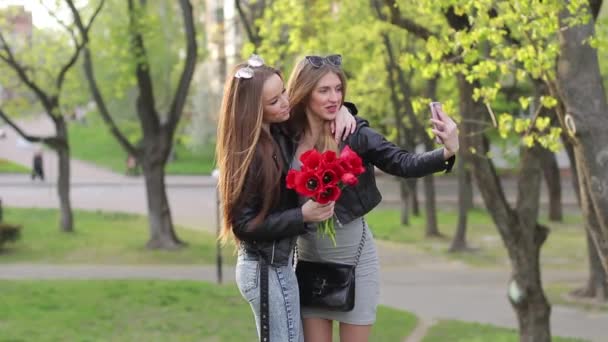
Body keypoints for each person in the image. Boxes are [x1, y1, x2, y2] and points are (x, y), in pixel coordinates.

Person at [286, 54, 459, 342]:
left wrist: (447, 152)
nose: (334, 98)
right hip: (309, 266)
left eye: (338, 89)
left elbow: (403, 163)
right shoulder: (284, 136)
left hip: (356, 263)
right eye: (324, 90)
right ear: (304, 93)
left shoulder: (354, 133)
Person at [215, 54, 357, 342]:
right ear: (254, 111)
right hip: (265, 270)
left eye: (283, 93)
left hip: (279, 266)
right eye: (275, 101)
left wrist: (345, 110)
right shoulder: (250, 154)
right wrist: (302, 216)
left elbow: (318, 111)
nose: (285, 102)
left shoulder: (276, 132)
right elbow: (244, 226)